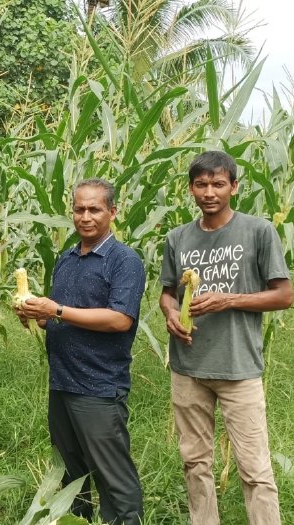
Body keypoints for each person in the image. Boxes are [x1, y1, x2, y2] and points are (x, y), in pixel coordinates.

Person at [159, 150, 292, 525]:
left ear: (234, 187)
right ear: (190, 189)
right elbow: (167, 292)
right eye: (201, 184)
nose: (209, 192)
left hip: (238, 369)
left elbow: (284, 295)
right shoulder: (178, 238)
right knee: (195, 462)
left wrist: (228, 299)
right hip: (188, 366)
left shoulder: (258, 231)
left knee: (255, 469)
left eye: (218, 183)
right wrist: (170, 313)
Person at [17, 179, 145, 525]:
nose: (85, 216)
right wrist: (37, 317)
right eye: (79, 209)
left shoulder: (124, 260)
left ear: (112, 212)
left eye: (94, 209)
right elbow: (65, 318)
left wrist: (55, 310)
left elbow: (119, 319)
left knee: (112, 473)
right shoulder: (67, 258)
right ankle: (78, 519)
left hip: (99, 386)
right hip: (62, 382)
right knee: (71, 471)